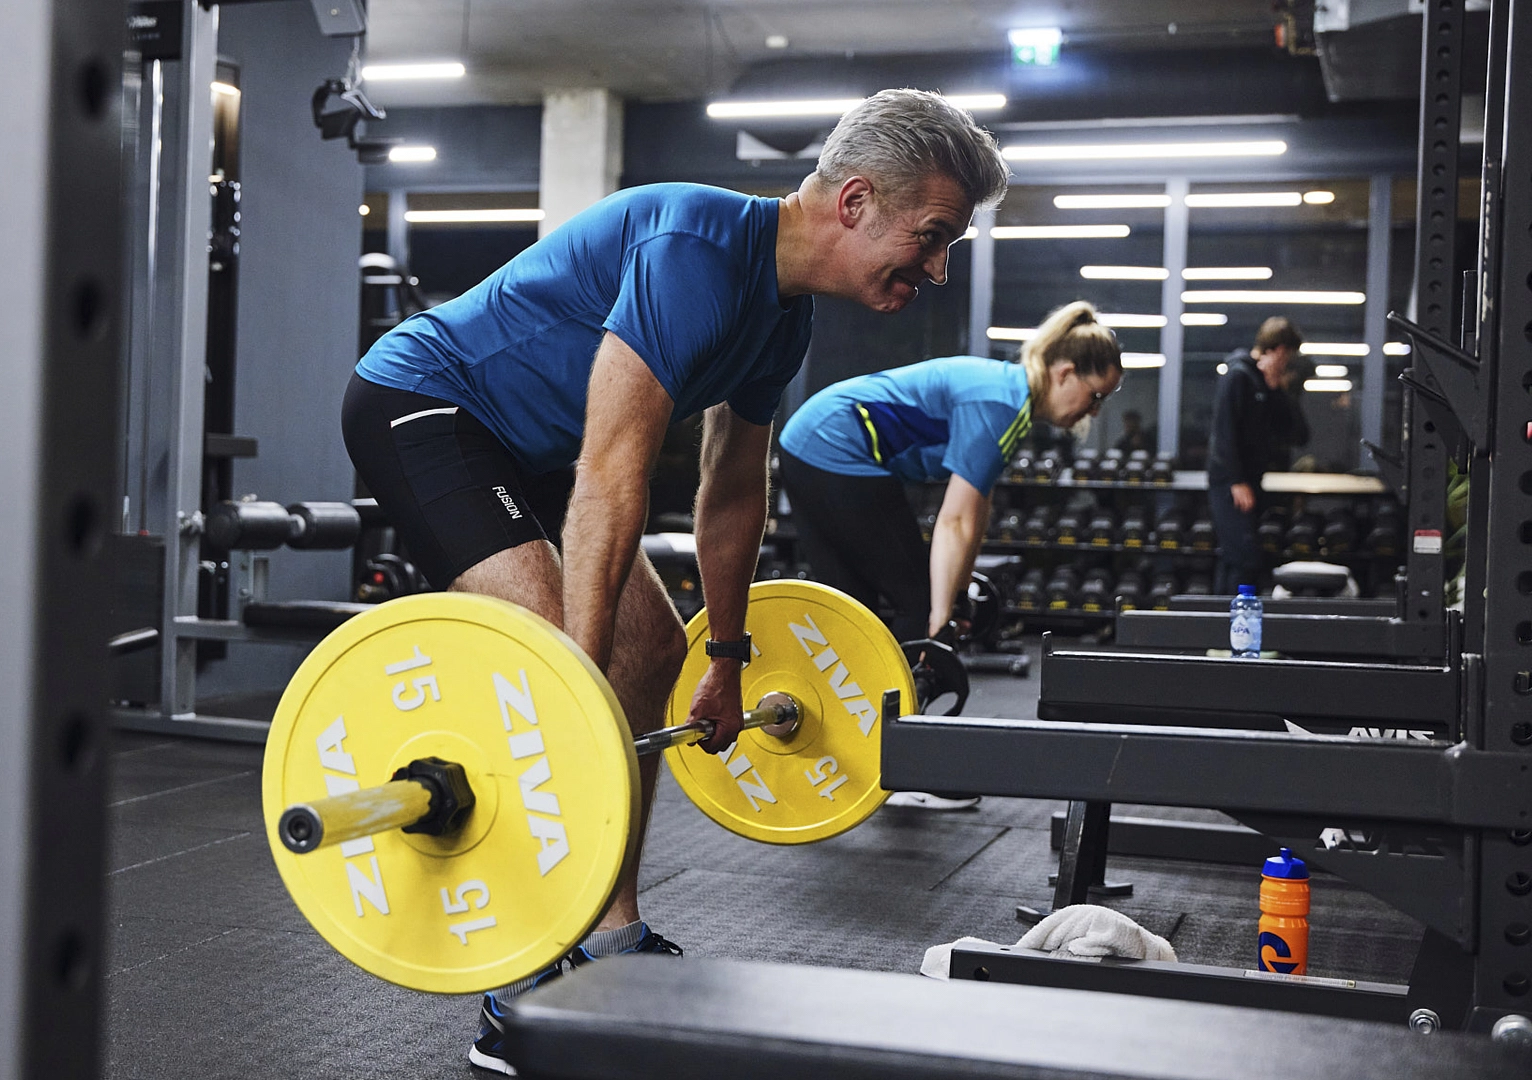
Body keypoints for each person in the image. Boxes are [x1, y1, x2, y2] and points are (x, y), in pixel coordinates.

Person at [341, 89, 1008, 1075]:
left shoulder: (783, 325)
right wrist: (568, 666)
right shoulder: (695, 252)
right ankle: (518, 983)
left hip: (530, 445)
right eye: (935, 235)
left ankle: (607, 934)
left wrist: (726, 658)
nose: (939, 267)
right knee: (556, 663)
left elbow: (732, 490)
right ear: (856, 202)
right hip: (426, 405)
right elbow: (613, 470)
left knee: (651, 648)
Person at [778, 300, 1124, 647]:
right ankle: (905, 697)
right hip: (834, 446)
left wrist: (959, 591)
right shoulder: (1001, 405)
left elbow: (976, 511)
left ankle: (850, 700)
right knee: (917, 602)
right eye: (1095, 396)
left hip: (806, 442)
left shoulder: (1011, 399)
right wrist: (939, 618)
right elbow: (954, 521)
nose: (1094, 411)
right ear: (1064, 373)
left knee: (852, 609)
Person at [1207, 316, 1310, 594]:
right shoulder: (1237, 376)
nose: (1287, 363)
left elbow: (1298, 435)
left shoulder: (1267, 386)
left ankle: (1225, 627)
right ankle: (1239, 625)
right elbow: (1223, 433)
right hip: (1231, 483)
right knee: (1245, 557)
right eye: (1286, 356)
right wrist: (1236, 480)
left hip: (1252, 481)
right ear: (1276, 350)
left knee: (1234, 559)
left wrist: (1278, 389)